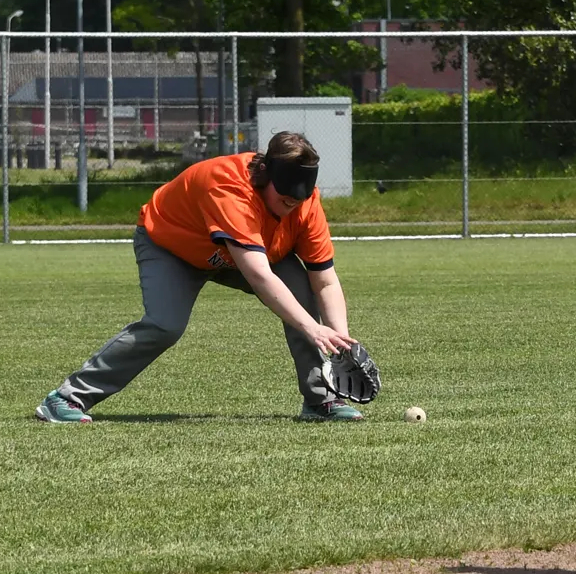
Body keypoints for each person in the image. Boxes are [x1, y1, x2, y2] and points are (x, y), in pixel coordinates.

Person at [37, 131, 365, 422]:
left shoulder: (306, 203)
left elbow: (324, 279)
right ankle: (67, 398)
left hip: (248, 255)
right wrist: (312, 328)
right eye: (284, 200)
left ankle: (321, 400)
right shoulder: (228, 187)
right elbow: (259, 277)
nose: (292, 208)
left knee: (301, 291)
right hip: (172, 246)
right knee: (165, 325)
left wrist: (341, 342)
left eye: (299, 201)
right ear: (265, 179)